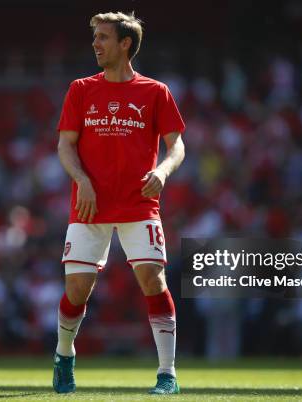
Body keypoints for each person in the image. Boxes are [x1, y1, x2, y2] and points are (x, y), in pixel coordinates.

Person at [53, 11, 186, 395]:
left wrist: (162, 171)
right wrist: (82, 181)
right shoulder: (80, 89)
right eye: (95, 37)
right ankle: (64, 354)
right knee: (78, 290)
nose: (95, 44)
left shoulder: (155, 92)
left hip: (138, 204)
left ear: (125, 43)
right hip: (89, 205)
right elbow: (65, 145)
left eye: (103, 37)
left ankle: (167, 373)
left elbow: (177, 144)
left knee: (153, 279)